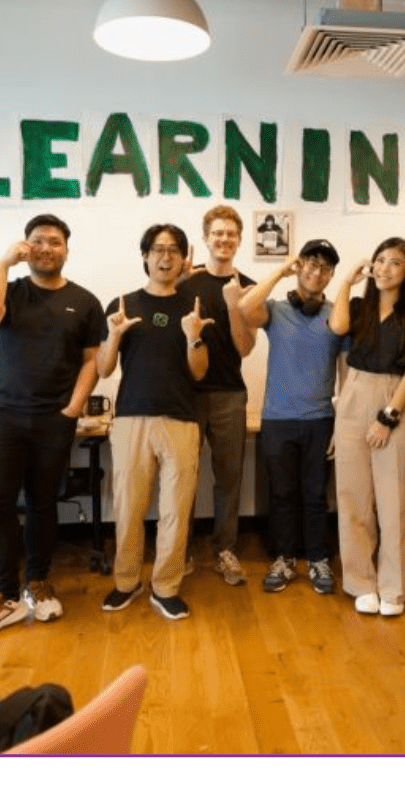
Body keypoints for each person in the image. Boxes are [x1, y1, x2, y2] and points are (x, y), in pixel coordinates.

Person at [0, 214, 105, 641]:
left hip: (53, 419)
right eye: (38, 240)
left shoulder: (84, 301)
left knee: (44, 503)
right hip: (3, 414)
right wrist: (3, 263)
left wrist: (73, 408)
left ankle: (37, 584)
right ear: (25, 247)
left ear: (66, 250)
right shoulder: (9, 290)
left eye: (55, 241)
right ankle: (3, 596)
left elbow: (92, 361)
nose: (46, 248)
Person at [96, 225, 215, 621]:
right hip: (131, 418)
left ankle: (166, 587)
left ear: (184, 259)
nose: (166, 257)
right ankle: (126, 581)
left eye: (174, 250)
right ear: (145, 256)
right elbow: (103, 368)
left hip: (181, 419)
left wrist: (193, 336)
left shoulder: (194, 306)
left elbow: (199, 371)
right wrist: (114, 336)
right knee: (128, 507)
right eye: (158, 249)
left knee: (176, 511)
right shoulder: (124, 304)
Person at [327, 237, 405, 615]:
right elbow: (338, 326)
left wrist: (388, 417)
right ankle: (360, 582)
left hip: (395, 398)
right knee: (352, 498)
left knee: (394, 502)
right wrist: (347, 281)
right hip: (354, 392)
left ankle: (393, 589)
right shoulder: (359, 306)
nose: (385, 268)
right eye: (380, 260)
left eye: (395, 262)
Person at [239, 239, 342, 595]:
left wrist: (341, 423)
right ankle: (283, 559)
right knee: (282, 494)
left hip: (320, 420)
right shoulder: (276, 310)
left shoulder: (337, 314)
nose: (317, 272)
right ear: (300, 266)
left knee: (315, 495)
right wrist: (281, 271)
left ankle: (317, 558)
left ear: (331, 275)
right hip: (278, 420)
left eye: (325, 268)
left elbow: (346, 370)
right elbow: (244, 307)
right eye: (311, 263)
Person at [182, 205, 258, 586]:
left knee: (229, 478)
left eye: (230, 234)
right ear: (206, 237)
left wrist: (234, 305)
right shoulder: (185, 283)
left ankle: (225, 550)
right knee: (183, 477)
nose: (224, 239)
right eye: (217, 233)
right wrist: (179, 282)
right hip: (186, 395)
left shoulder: (249, 288)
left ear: (239, 240)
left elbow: (245, 348)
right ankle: (180, 552)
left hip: (230, 394)